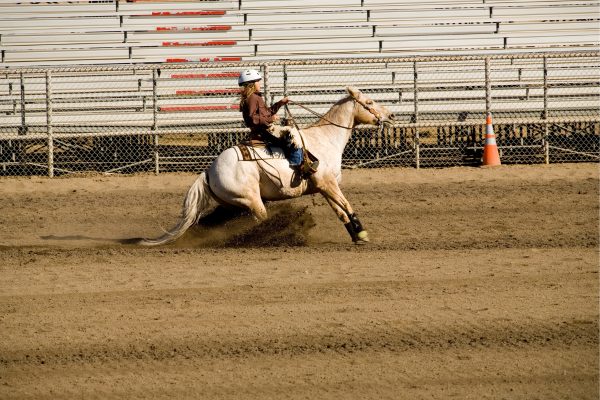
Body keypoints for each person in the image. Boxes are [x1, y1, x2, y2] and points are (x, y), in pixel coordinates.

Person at [238, 69, 318, 176]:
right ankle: (298, 167)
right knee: (292, 135)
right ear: (252, 84)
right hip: (264, 132)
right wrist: (271, 119)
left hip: (263, 130)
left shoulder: (254, 97)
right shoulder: (253, 98)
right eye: (258, 81)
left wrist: (280, 103)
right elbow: (253, 118)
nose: (260, 84)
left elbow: (266, 112)